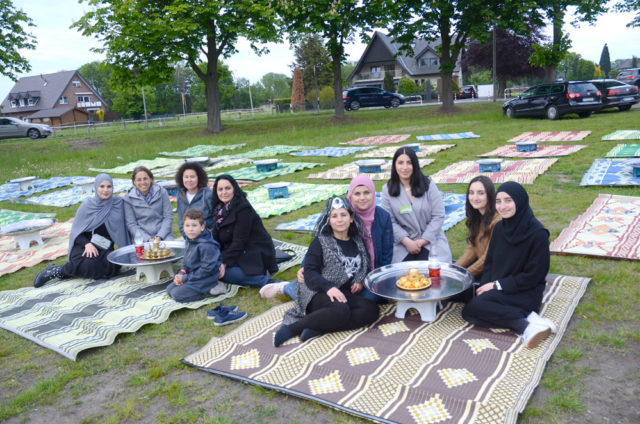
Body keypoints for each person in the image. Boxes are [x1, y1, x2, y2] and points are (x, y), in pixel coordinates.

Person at [260, 174, 393, 302]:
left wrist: (375, 279)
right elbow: (320, 241)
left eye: (366, 192)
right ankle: (288, 287)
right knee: (326, 295)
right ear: (351, 195)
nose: (362, 197)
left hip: (367, 273)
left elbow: (387, 252)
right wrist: (305, 266)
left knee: (371, 298)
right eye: (357, 194)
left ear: (374, 194)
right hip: (335, 272)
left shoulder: (383, 216)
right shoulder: (343, 212)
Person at [461, 181, 557, 349]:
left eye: (508, 200)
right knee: (468, 302)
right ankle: (530, 319)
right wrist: (486, 286)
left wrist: (497, 285)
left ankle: (526, 327)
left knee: (475, 308)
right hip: (500, 288)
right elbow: (490, 263)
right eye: (498, 201)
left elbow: (534, 276)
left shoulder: (537, 234)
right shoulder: (500, 228)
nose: (502, 206)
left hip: (524, 292)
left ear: (519, 201)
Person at [273, 197, 380, 347]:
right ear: (328, 220)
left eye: (343, 215)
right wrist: (328, 287)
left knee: (371, 310)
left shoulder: (357, 241)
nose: (339, 220)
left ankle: (318, 328)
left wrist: (359, 280)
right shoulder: (320, 242)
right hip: (316, 291)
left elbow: (364, 266)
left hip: (342, 292)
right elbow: (310, 272)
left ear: (351, 218)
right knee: (341, 310)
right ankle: (293, 328)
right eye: (334, 216)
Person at [33, 174, 130, 287]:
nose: (105, 190)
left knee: (113, 265)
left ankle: (67, 270)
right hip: (84, 245)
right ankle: (56, 271)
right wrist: (87, 244)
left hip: (104, 247)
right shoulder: (87, 206)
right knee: (90, 264)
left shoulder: (117, 204)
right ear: (96, 187)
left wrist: (126, 195)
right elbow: (76, 233)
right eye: (102, 186)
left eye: (109, 187)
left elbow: (134, 197)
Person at [381, 147, 452, 263]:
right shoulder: (387, 190)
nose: (405, 167)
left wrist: (423, 240)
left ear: (415, 164)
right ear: (394, 166)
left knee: (434, 274)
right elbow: (390, 221)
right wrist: (407, 241)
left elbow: (438, 215)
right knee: (403, 277)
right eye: (400, 163)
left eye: (409, 163)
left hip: (430, 240)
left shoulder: (428, 184)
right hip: (403, 244)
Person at [211, 174, 278, 289]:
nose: (224, 192)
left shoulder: (243, 209)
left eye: (228, 188)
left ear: (234, 189)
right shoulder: (219, 209)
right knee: (209, 267)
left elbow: (239, 242)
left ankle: (265, 281)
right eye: (220, 189)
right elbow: (216, 237)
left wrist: (223, 262)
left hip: (253, 252)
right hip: (235, 251)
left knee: (219, 273)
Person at [166, 209, 223, 302]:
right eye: (187, 225)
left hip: (205, 279)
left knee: (176, 295)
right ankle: (189, 287)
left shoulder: (206, 245)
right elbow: (186, 262)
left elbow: (207, 270)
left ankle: (209, 291)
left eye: (194, 225)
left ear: (202, 227)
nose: (190, 229)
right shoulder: (190, 240)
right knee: (169, 290)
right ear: (183, 227)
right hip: (192, 276)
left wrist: (185, 278)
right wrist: (181, 274)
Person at [454, 175, 501, 278]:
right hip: (484, 269)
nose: (475, 198)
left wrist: (465, 275)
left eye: (480, 193)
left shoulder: (497, 222)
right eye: (471, 193)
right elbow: (472, 249)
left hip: (496, 274)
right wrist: (453, 269)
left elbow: (488, 257)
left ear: (489, 195)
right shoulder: (478, 217)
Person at [124, 166, 174, 241]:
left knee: (170, 251)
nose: (143, 182)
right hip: (141, 238)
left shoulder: (162, 192)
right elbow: (132, 224)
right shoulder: (129, 198)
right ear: (134, 182)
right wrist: (148, 239)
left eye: (145, 178)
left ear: (151, 179)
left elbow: (168, 217)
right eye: (139, 180)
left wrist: (160, 236)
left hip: (163, 235)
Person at [175, 162, 214, 239]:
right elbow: (180, 220)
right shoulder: (180, 195)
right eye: (186, 177)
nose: (189, 180)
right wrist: (187, 236)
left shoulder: (208, 195)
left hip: (207, 238)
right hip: (188, 238)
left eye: (192, 177)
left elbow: (215, 219)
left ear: (199, 178)